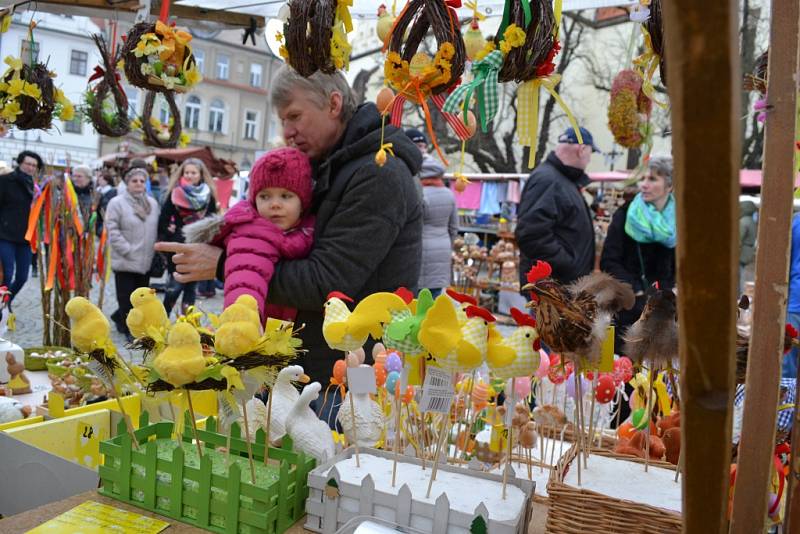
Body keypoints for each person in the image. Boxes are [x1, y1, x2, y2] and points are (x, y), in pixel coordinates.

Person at [156, 65, 423, 387]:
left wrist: (225, 263)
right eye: (283, 121)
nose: (287, 131)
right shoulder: (334, 164)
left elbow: (328, 282)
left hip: (351, 371)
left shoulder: (378, 173)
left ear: (334, 104)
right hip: (316, 363)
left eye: (294, 116)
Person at [185, 147, 314, 321]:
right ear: (254, 200)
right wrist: (244, 320)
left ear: (303, 201)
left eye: (286, 195)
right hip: (257, 333)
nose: (274, 204)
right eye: (265, 196)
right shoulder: (252, 231)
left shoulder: (309, 227)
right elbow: (246, 277)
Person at [600, 156, 676, 350]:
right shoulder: (626, 215)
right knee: (625, 371)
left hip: (662, 312)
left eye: (652, 179)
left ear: (670, 186)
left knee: (654, 375)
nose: (644, 185)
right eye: (642, 179)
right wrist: (636, 290)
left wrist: (667, 293)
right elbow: (609, 261)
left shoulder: (678, 221)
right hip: (628, 309)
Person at [515, 127, 600, 286]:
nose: (589, 159)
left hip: (559, 285)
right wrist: (567, 266)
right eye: (590, 152)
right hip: (553, 287)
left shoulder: (562, 180)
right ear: (581, 150)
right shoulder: (549, 180)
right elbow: (531, 234)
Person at [104, 168, 159, 340]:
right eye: (134, 180)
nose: (138, 184)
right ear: (127, 183)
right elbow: (112, 228)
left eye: (142, 181)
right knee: (126, 298)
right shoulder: (117, 202)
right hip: (126, 258)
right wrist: (126, 249)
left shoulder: (152, 203)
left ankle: (119, 318)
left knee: (141, 298)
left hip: (146, 259)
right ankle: (130, 329)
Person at [158, 158, 217, 317]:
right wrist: (170, 234)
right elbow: (163, 219)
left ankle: (187, 325)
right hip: (179, 246)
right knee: (174, 287)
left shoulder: (208, 195)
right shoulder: (175, 193)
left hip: (199, 245)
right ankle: (162, 320)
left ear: (200, 175)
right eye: (187, 172)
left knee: (192, 287)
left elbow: (212, 218)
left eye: (193, 172)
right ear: (182, 174)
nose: (190, 175)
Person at [0, 150, 42, 304]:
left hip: (26, 238)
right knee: (6, 274)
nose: (31, 168)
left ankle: (6, 302)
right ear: (20, 163)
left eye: (34, 165)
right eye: (28, 164)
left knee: (23, 277)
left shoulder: (36, 186)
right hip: (5, 235)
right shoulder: (5, 181)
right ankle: (2, 309)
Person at [414, 155, 457, 297]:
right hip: (443, 248)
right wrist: (448, 245)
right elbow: (453, 228)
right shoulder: (449, 194)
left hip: (420, 247)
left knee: (417, 298)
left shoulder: (419, 193)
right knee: (434, 295)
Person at [785, 212, 800, 378]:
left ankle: (788, 403)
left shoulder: (795, 223)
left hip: (795, 300)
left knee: (789, 360)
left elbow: (784, 263)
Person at [739, 200, 757, 293]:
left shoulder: (743, 222)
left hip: (741, 253)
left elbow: (738, 239)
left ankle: (738, 295)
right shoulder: (751, 222)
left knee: (738, 276)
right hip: (747, 253)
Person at [95, 172, 117, 237]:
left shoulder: (112, 191)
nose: (100, 181)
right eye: (99, 180)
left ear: (107, 181)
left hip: (105, 214)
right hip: (98, 215)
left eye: (102, 180)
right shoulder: (98, 190)